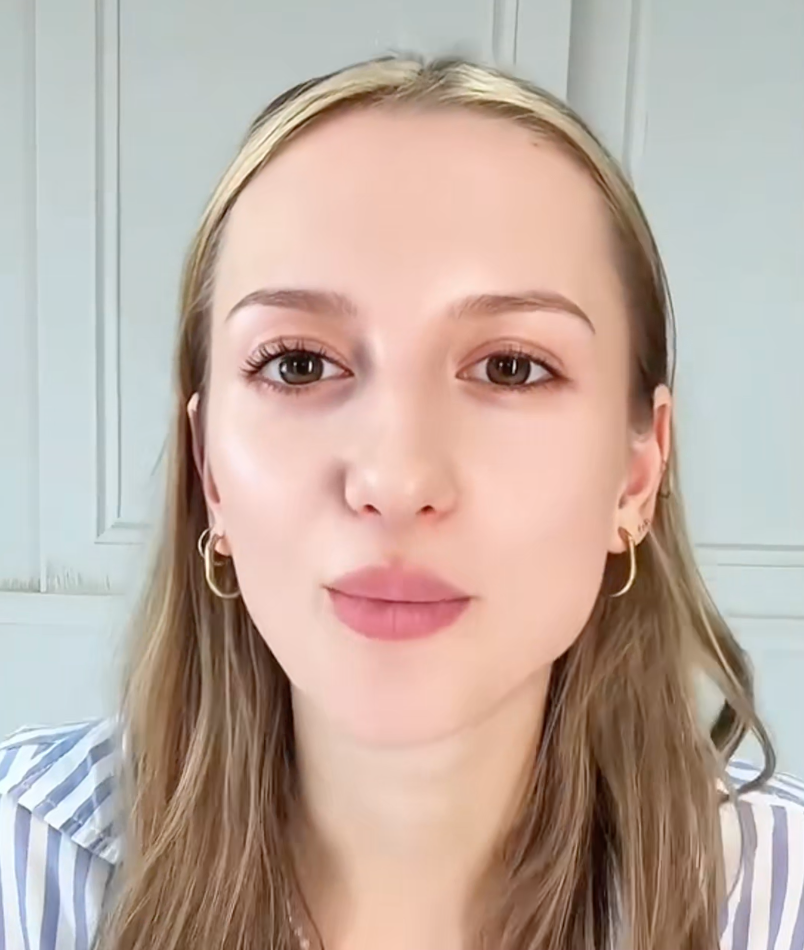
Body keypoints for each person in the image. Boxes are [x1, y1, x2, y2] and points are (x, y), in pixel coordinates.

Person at [0, 54, 802, 950]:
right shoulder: (20, 867)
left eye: (512, 368)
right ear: (208, 470)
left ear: (638, 474)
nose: (395, 480)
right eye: (298, 364)